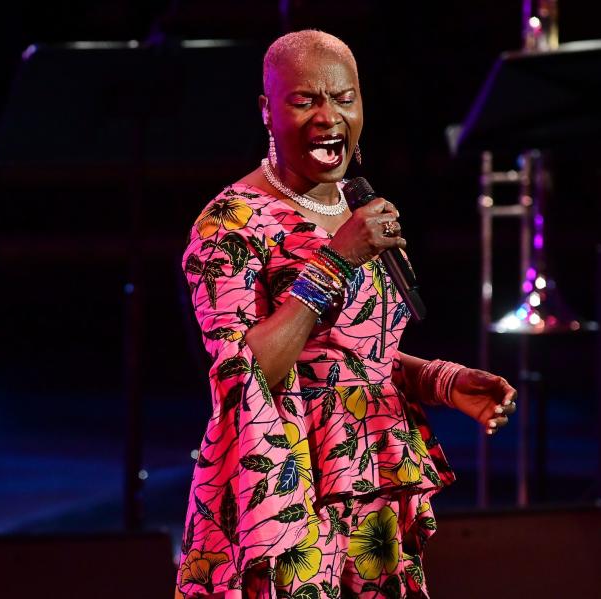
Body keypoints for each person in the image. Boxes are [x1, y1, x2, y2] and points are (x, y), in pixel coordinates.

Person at [176, 29, 516, 598]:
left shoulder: (360, 207)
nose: (328, 117)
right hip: (282, 487)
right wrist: (333, 263)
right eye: (305, 100)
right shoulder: (229, 225)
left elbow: (353, 359)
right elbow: (242, 375)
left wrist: (442, 381)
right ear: (266, 110)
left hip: (369, 481)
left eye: (344, 98)